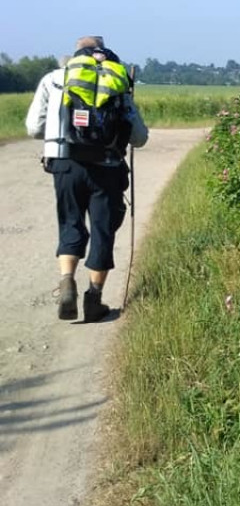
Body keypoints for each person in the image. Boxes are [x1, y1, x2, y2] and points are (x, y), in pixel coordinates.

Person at [25, 36, 149, 322]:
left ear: (75, 54)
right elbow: (139, 138)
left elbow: (33, 128)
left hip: (66, 165)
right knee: (103, 230)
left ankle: (67, 280)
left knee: (70, 222)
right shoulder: (117, 83)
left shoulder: (55, 79)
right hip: (107, 168)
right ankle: (94, 299)